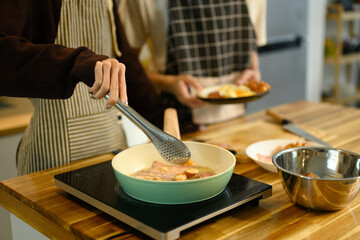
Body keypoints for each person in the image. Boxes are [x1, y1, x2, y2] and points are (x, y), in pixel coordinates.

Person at [0, 0, 164, 175]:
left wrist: (162, 125)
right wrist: (77, 62)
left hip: (113, 147)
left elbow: (126, 65)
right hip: (55, 156)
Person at [119, 0, 267, 130]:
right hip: (176, 123)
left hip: (237, 118)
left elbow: (252, 44)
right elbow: (126, 65)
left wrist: (252, 69)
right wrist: (168, 83)